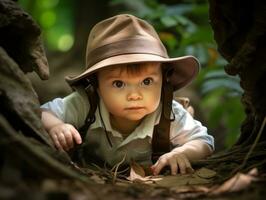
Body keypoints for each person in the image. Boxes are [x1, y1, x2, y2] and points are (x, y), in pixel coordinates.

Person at [41, 14, 214, 175]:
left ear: (164, 81)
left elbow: (204, 141)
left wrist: (182, 152)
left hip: (149, 183)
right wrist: (56, 126)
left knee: (182, 124)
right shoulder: (86, 103)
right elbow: (42, 112)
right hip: (94, 175)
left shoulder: (168, 113)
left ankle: (187, 116)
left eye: (147, 82)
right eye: (119, 83)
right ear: (96, 85)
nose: (134, 95)